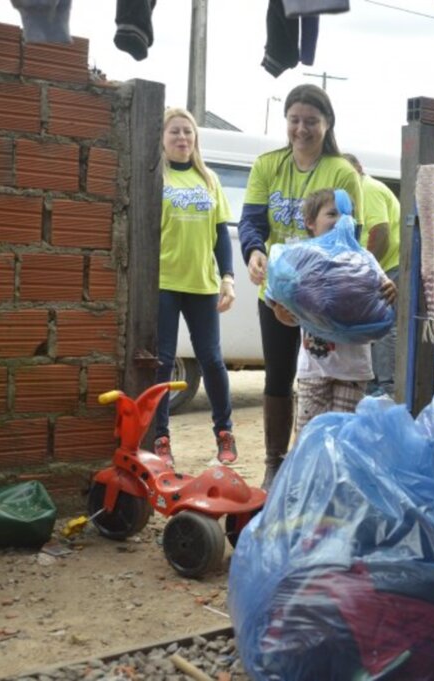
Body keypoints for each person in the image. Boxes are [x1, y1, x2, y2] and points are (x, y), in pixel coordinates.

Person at [238, 84, 364, 489]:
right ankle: (274, 463)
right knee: (277, 375)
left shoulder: (341, 171)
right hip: (276, 293)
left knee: (321, 377)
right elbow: (252, 221)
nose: (301, 129)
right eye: (294, 120)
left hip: (322, 298)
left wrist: (314, 294)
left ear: (327, 124)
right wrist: (254, 252)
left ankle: (320, 465)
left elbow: (349, 236)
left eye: (311, 121)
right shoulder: (267, 165)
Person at [268, 188, 397, 439]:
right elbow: (282, 307)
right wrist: (281, 312)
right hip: (314, 369)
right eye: (332, 214)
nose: (341, 220)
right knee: (310, 436)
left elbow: (382, 297)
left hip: (353, 371)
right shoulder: (300, 258)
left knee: (342, 437)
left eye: (347, 214)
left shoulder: (362, 259)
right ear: (310, 222)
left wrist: (391, 290)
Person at [154, 107, 238, 466]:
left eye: (187, 131)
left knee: (212, 360)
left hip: (202, 284)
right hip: (164, 283)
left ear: (195, 138)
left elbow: (221, 234)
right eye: (174, 131)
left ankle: (225, 434)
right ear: (162, 138)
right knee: (162, 363)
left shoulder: (209, 179)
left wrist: (227, 278)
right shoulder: (157, 176)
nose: (182, 137)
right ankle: (160, 438)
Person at [342, 153, 401, 399]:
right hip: (379, 267)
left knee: (386, 326)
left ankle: (387, 386)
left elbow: (381, 232)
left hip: (388, 267)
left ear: (357, 169)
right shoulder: (355, 191)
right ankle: (374, 383)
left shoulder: (367, 188)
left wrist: (364, 269)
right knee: (373, 324)